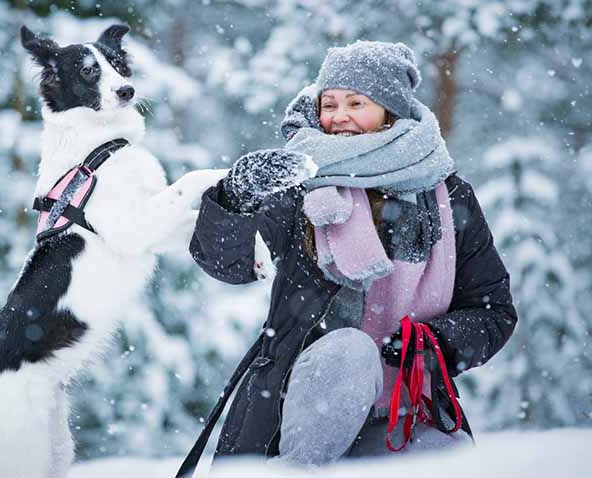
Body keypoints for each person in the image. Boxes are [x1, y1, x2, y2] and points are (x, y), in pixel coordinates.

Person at [187, 41, 518, 468]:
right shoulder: (301, 182)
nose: (338, 116)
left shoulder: (448, 195)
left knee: (446, 457)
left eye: (356, 103)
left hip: (400, 406)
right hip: (292, 410)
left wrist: (434, 340)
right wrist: (236, 198)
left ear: (390, 110)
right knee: (350, 350)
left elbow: (493, 311)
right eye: (329, 103)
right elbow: (228, 265)